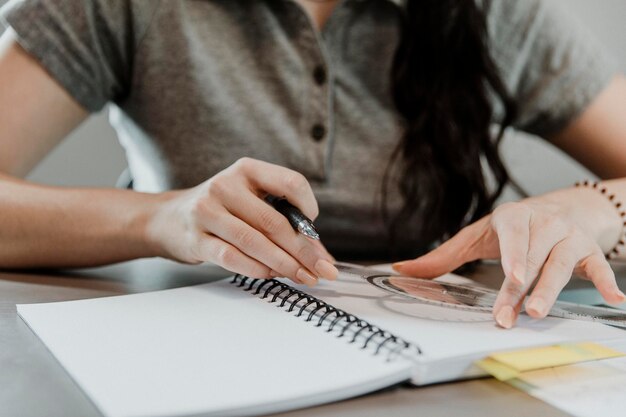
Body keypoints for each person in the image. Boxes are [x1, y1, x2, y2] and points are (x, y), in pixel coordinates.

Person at [1, 0, 626, 329]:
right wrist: (161, 218)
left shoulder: (494, 12)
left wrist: (585, 208)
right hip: (185, 333)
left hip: (422, 359)